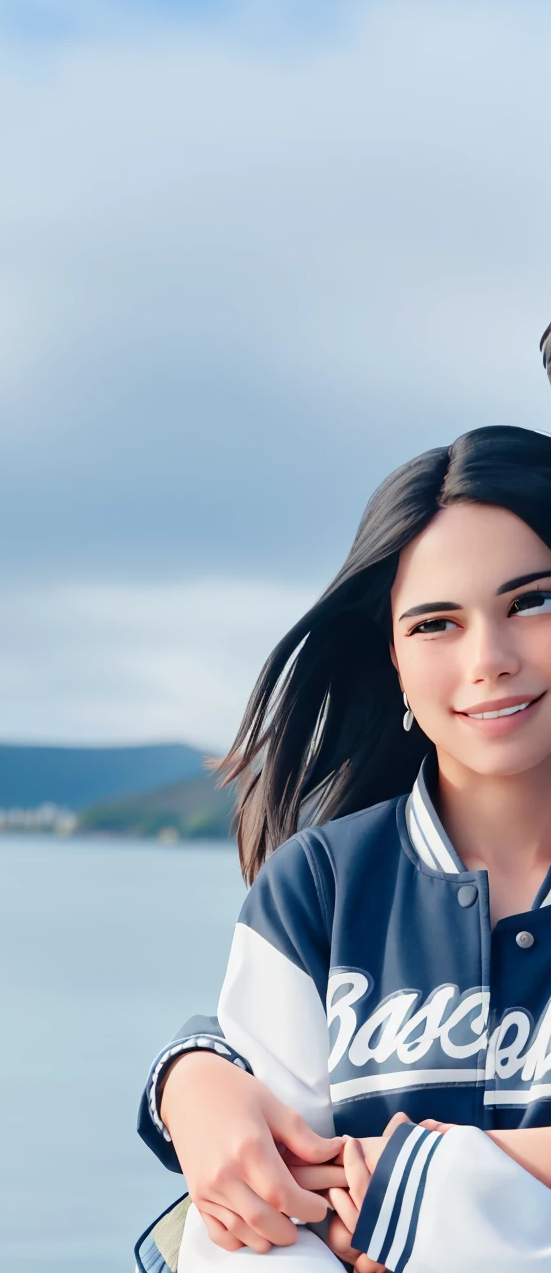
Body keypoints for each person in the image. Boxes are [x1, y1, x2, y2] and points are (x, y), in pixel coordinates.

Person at [137, 422, 551, 1272]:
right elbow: (255, 1226)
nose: (490, 659)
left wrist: (428, 1183)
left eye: (533, 601)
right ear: (393, 660)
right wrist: (193, 1076)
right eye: (436, 623)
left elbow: (367, 1201)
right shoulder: (318, 888)